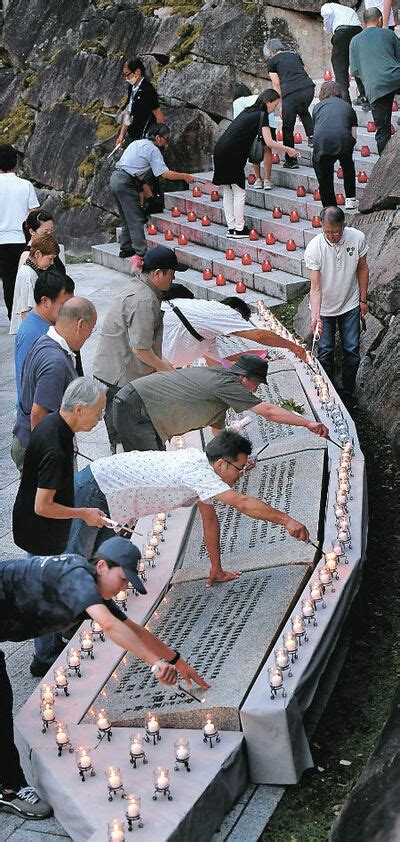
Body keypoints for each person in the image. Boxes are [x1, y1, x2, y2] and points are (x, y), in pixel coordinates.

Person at [0, 537, 208, 819]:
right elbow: (109, 626)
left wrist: (176, 660)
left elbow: (131, 628)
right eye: (122, 579)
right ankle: (10, 790)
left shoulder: (89, 588)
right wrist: (156, 664)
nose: (123, 588)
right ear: (101, 566)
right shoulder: (75, 574)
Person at [66, 430, 312, 587]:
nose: (240, 474)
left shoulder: (201, 468)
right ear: (220, 464)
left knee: (97, 561)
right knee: (74, 563)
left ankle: (82, 613)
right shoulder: (198, 472)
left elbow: (210, 520)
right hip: (96, 490)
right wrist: (287, 520)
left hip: (113, 501)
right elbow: (242, 503)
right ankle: (52, 644)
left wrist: (216, 567)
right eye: (239, 468)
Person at [13, 378, 108, 676]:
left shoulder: (53, 422)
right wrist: (83, 513)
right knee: (46, 590)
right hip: (41, 529)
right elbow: (43, 505)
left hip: (33, 524)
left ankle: (53, 640)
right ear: (79, 409)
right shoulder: (56, 445)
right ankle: (44, 656)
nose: (100, 418)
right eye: (98, 412)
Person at [113, 353, 328, 453]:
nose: (257, 390)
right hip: (137, 407)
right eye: (256, 384)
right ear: (244, 377)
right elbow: (268, 411)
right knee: (150, 470)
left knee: (155, 466)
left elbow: (218, 430)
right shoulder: (227, 384)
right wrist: (307, 423)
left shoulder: (223, 379)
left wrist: (233, 457)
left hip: (139, 405)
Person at [93, 246, 187, 453]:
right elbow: (140, 349)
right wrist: (164, 368)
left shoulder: (139, 286)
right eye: (171, 274)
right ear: (157, 273)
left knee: (126, 439)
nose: (173, 279)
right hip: (121, 378)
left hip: (114, 373)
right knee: (135, 442)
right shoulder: (144, 299)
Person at [11, 297, 97, 471]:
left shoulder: (45, 341)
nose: (90, 335)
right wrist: (46, 460)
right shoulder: (55, 362)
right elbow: (38, 414)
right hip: (39, 447)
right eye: (91, 329)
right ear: (80, 324)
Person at [212, 89, 300, 239]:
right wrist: (288, 150)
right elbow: (269, 141)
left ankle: (232, 227)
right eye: (275, 104)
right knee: (239, 192)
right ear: (268, 101)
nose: (275, 108)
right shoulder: (262, 115)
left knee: (228, 190)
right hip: (233, 153)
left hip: (221, 149)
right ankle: (239, 229)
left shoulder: (249, 111)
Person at [305, 205, 369, 404]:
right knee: (325, 351)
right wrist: (316, 316)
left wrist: (363, 300)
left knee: (352, 350)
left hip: (349, 303)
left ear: (343, 226)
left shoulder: (357, 238)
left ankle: (347, 392)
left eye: (336, 232)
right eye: (327, 232)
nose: (332, 236)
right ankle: (329, 393)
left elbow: (363, 268)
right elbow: (315, 288)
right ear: (321, 227)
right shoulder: (314, 248)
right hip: (325, 308)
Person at [110, 123, 194, 262]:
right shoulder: (153, 150)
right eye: (166, 139)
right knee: (136, 218)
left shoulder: (138, 143)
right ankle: (142, 253)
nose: (167, 143)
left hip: (115, 178)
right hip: (126, 182)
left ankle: (126, 249)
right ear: (158, 138)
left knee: (126, 217)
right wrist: (185, 176)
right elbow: (164, 174)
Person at [161, 293, 308, 367]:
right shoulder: (223, 311)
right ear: (237, 311)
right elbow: (259, 335)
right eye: (241, 321)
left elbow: (216, 367)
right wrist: (294, 347)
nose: (233, 334)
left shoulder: (208, 331)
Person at [14, 269, 75, 402]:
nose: (69, 310)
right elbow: (28, 386)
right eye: (64, 305)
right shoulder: (32, 334)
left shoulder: (48, 323)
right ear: (45, 302)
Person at [350, 7, 400, 155]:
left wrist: (370, 76)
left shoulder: (355, 41)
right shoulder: (388, 34)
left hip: (375, 88)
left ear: (364, 22)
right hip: (396, 77)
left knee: (382, 131)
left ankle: (384, 173)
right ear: (380, 20)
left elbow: (354, 71)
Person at [0, 144, 39, 320]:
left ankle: (11, 315)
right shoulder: (25, 185)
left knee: (8, 281)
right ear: (15, 162)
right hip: (20, 240)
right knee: (24, 281)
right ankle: (23, 317)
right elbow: (34, 215)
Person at [265, 39, 315, 168]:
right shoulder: (294, 55)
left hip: (291, 93)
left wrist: (280, 104)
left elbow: (276, 84)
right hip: (308, 88)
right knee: (303, 110)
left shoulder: (272, 62)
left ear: (271, 52)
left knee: (287, 127)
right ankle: (312, 137)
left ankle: (291, 161)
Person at [312, 81, 358, 210]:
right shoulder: (347, 106)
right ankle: (350, 199)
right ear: (339, 92)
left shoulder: (317, 107)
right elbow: (354, 134)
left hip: (322, 142)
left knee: (324, 175)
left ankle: (329, 206)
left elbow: (316, 129)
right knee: (348, 165)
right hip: (344, 139)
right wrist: (349, 148)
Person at [9, 231, 60, 334]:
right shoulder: (27, 275)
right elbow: (25, 313)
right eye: (50, 258)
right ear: (38, 254)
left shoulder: (32, 270)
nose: (52, 263)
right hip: (29, 333)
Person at [232, 82, 278, 190]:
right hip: (268, 122)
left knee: (254, 150)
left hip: (252, 125)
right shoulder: (257, 97)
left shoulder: (237, 102)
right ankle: (267, 180)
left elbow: (238, 120)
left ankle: (258, 180)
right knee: (267, 150)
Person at [320, 3, 367, 107]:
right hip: (358, 33)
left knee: (340, 68)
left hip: (342, 33)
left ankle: (345, 103)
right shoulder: (348, 9)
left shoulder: (327, 6)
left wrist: (327, 28)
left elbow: (327, 12)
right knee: (359, 66)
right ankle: (365, 96)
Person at [116, 57, 164, 148]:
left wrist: (155, 141)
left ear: (137, 72)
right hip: (133, 134)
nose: (126, 78)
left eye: (128, 74)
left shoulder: (148, 89)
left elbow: (159, 116)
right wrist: (121, 135)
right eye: (124, 75)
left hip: (145, 137)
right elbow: (128, 113)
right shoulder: (131, 88)